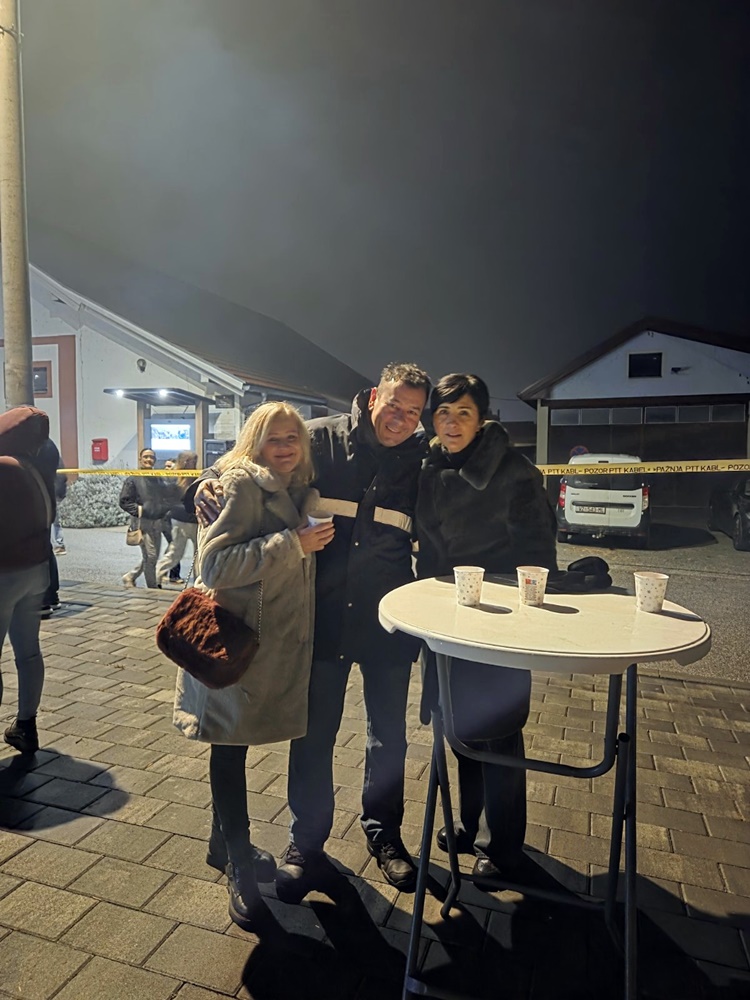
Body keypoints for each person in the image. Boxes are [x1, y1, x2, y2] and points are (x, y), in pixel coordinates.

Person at [194, 362, 432, 902]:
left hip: (388, 621)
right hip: (320, 619)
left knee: (388, 737)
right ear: (373, 396)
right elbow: (248, 458)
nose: (400, 419)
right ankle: (307, 845)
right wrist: (204, 481)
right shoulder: (319, 440)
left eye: (413, 412)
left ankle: (385, 836)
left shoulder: (422, 459)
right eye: (394, 404)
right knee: (314, 736)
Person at [173, 402, 334, 931]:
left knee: (234, 744)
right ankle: (239, 864)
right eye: (273, 439)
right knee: (228, 747)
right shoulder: (242, 485)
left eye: (292, 438)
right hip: (234, 643)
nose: (284, 447)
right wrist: (292, 544)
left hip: (268, 647)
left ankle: (221, 845)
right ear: (254, 441)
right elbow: (214, 566)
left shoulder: (295, 487)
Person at [415, 373, 558, 878]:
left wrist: (518, 615)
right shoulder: (429, 465)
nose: (452, 423)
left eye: (464, 413)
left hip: (498, 621)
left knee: (498, 733)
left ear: (482, 419)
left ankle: (503, 847)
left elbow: (538, 557)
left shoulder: (514, 471)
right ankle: (468, 825)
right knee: (458, 728)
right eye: (443, 413)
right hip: (445, 619)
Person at [0, 406, 55, 754]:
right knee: (29, 652)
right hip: (35, 571)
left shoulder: (3, 467)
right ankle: (26, 725)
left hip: (3, 573)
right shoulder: (35, 467)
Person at [119, 448, 173, 588]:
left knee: (152, 557)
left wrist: (163, 510)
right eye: (146, 457)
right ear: (140, 459)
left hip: (157, 521)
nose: (149, 459)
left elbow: (167, 497)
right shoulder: (133, 479)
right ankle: (152, 588)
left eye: (151, 457)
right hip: (142, 522)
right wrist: (140, 511)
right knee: (151, 556)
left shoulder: (158, 478)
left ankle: (131, 576)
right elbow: (124, 501)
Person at [156, 451, 199, 587]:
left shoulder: (174, 477)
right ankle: (197, 583)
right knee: (191, 553)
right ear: (186, 461)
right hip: (188, 520)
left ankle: (156, 576)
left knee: (177, 552)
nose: (194, 463)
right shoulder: (185, 477)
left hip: (181, 519)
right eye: (192, 461)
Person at [51, 470, 67, 555]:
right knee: (54, 521)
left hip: (53, 494)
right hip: (56, 494)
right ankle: (59, 544)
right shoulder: (58, 464)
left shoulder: (52, 464)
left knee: (54, 521)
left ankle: (59, 545)